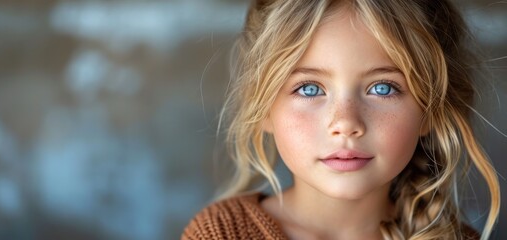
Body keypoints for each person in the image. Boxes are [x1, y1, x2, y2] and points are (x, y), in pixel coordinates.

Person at [182, 0, 500, 239]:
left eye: (382, 88)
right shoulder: (221, 234)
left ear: (430, 109)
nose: (345, 122)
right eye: (309, 89)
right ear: (264, 107)